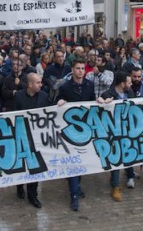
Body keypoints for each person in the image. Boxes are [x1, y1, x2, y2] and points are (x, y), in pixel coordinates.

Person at [56, 58, 95, 211]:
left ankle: (77, 185)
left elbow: (91, 102)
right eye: (78, 68)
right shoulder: (65, 87)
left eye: (82, 68)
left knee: (81, 161)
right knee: (74, 163)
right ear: (72, 69)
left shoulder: (90, 85)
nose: (80, 71)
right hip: (70, 130)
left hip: (85, 129)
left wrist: (98, 101)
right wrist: (59, 101)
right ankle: (74, 195)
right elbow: (58, 101)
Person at [98, 71, 138, 201]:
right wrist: (104, 103)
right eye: (129, 81)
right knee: (117, 158)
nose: (131, 83)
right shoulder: (107, 94)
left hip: (128, 130)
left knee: (129, 153)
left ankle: (130, 174)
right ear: (122, 84)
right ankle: (115, 186)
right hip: (113, 132)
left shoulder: (130, 93)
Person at [13, 73, 51, 208]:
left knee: (35, 166)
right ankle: (19, 186)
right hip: (21, 135)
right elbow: (12, 115)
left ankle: (32, 195)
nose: (41, 85)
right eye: (38, 82)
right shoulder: (18, 96)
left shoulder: (44, 96)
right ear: (30, 84)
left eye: (41, 82)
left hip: (37, 137)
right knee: (22, 164)